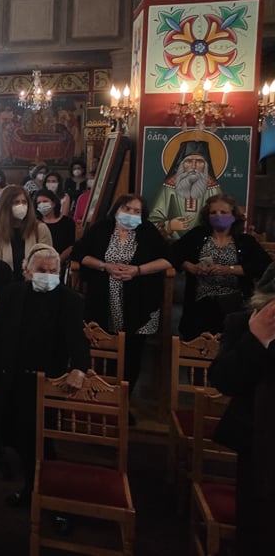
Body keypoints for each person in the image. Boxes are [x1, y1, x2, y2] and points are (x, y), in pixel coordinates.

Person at [0, 244, 90, 507]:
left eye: (53, 271)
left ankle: (44, 495)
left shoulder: (71, 300)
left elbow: (78, 340)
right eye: (41, 270)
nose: (47, 275)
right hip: (13, 375)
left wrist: (79, 368)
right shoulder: (12, 293)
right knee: (16, 433)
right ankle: (34, 488)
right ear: (27, 272)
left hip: (48, 381)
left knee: (39, 439)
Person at [71, 194, 172, 395]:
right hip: (103, 299)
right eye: (127, 209)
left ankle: (125, 397)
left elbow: (169, 259)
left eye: (137, 211)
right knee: (101, 349)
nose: (131, 214)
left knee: (132, 353)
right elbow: (79, 253)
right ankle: (100, 394)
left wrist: (138, 270)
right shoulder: (101, 228)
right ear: (116, 209)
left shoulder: (148, 232)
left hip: (139, 301)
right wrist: (104, 266)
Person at [208, 264, 275, 556]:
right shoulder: (245, 321)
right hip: (260, 449)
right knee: (259, 531)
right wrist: (257, 339)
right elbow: (223, 380)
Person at [173, 194, 271, 340]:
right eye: (213, 212)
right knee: (201, 317)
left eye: (223, 212)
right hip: (201, 300)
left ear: (233, 216)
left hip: (235, 301)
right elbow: (173, 253)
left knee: (233, 328)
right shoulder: (197, 235)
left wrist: (229, 269)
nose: (218, 216)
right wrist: (191, 267)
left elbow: (265, 266)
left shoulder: (245, 241)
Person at [150, 139, 221, 240]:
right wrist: (170, 226)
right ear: (180, 165)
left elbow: (221, 220)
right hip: (172, 243)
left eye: (199, 161)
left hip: (203, 243)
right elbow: (153, 222)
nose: (193, 166)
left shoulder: (212, 188)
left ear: (206, 166)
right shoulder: (169, 187)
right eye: (189, 161)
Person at [0, 185, 52, 281]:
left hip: (34, 285)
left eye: (24, 202)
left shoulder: (40, 229)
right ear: (6, 206)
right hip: (7, 286)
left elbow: (47, 264)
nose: (21, 206)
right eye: (16, 202)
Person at [34, 188, 77, 268]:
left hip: (61, 263)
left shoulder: (67, 222)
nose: (41, 204)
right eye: (38, 203)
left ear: (53, 203)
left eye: (45, 201)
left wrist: (57, 261)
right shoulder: (35, 224)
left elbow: (71, 246)